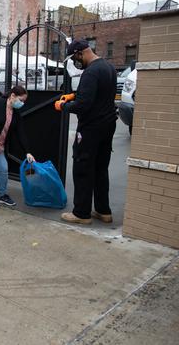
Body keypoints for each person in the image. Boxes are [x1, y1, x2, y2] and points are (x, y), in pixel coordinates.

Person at [55, 39, 117, 225]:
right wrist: (74, 95)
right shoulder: (109, 68)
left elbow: (83, 106)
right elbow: (99, 95)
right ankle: (103, 210)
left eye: (75, 58)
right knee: (100, 169)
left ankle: (81, 213)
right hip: (108, 125)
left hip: (90, 129)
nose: (76, 62)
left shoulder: (90, 72)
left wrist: (64, 105)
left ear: (80, 53)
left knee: (82, 168)